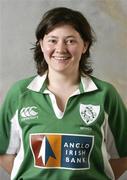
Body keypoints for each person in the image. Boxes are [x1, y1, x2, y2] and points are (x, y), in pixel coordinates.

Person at [0, 7, 127, 180]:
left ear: (85, 45)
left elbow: (123, 156)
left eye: (70, 41)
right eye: (52, 40)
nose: (60, 49)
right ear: (41, 44)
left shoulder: (105, 95)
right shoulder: (20, 94)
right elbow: (4, 153)